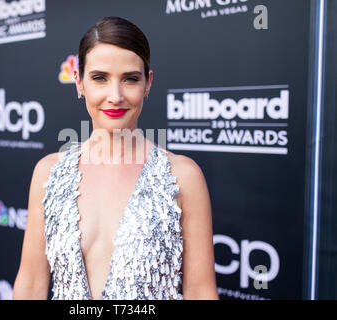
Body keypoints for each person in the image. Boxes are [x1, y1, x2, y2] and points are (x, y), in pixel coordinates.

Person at [13, 16, 218, 300]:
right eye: (99, 78)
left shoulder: (183, 175)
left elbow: (200, 292)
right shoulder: (48, 173)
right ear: (78, 81)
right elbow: (31, 284)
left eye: (130, 79)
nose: (115, 96)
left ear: (148, 83)